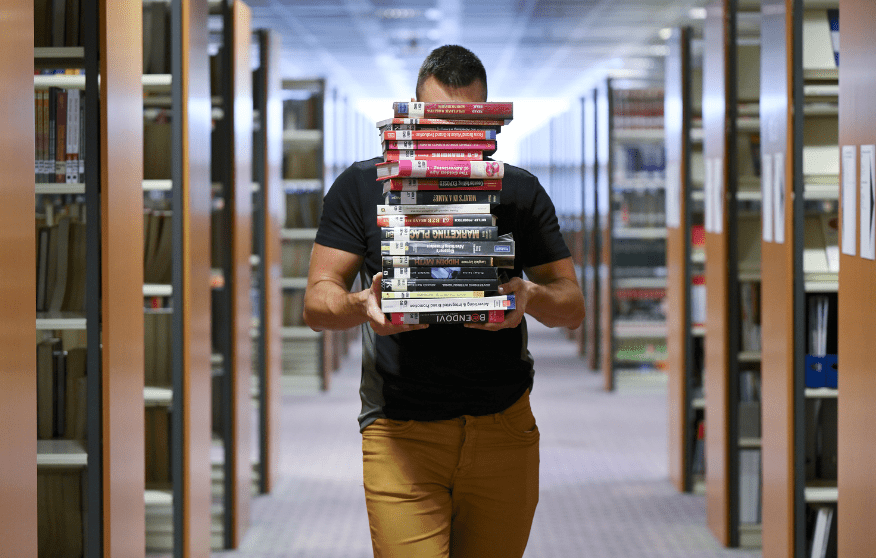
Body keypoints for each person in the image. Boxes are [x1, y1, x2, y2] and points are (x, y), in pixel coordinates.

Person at [303, 44, 586, 558]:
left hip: (503, 425)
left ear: (489, 123)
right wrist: (362, 303)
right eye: (438, 124)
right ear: (411, 116)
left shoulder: (518, 192)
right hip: (401, 430)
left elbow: (572, 307)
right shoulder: (361, 188)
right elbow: (317, 303)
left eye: (469, 128)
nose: (452, 143)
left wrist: (531, 295)